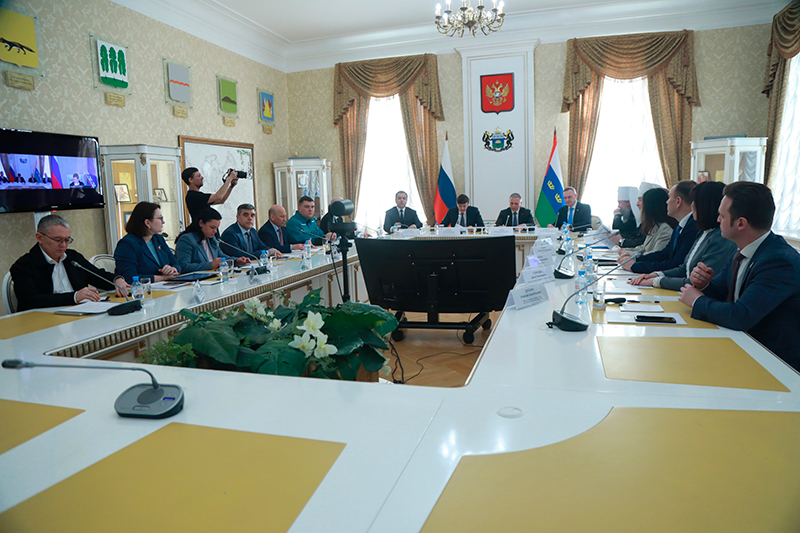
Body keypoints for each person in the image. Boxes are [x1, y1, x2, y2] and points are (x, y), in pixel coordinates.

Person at [678, 182, 800, 370]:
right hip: (743, 346)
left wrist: (697, 301)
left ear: (741, 223)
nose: (718, 220)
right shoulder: (743, 249)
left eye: (722, 216)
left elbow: (741, 315)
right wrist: (703, 285)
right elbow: (721, 291)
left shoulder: (778, 260)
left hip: (774, 363)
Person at [630, 181, 737, 290]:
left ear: (704, 205)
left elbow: (697, 281)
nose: (692, 205)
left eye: (694, 201)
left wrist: (656, 281)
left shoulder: (718, 238)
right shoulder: (703, 233)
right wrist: (657, 274)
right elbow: (683, 268)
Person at [11, 214, 128, 312]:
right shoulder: (23, 266)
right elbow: (31, 300)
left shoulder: (73, 257)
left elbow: (97, 276)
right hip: (44, 320)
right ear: (39, 238)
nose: (63, 245)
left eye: (67, 240)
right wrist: (74, 297)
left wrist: (116, 280)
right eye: (58, 240)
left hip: (79, 315)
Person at [625, 180, 698, 274]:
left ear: (678, 201)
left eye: (669, 197)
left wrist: (636, 266)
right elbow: (665, 253)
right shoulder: (681, 226)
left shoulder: (692, 227)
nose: (666, 202)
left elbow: (676, 263)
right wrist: (636, 260)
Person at [114, 202, 181, 283]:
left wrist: (172, 269)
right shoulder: (127, 244)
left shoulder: (158, 239)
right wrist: (163, 278)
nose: (163, 222)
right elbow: (129, 278)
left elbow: (176, 263)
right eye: (160, 218)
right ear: (147, 223)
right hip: (142, 290)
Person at [176, 208, 250, 273]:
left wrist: (236, 261)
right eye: (212, 227)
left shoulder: (211, 238)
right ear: (201, 223)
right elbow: (183, 266)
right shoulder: (186, 239)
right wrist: (210, 265)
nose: (215, 231)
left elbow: (221, 256)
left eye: (217, 228)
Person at [617, 188, 676, 256]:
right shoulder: (654, 226)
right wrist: (626, 251)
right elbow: (644, 248)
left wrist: (630, 254)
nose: (637, 204)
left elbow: (657, 255)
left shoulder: (665, 229)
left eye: (641, 201)